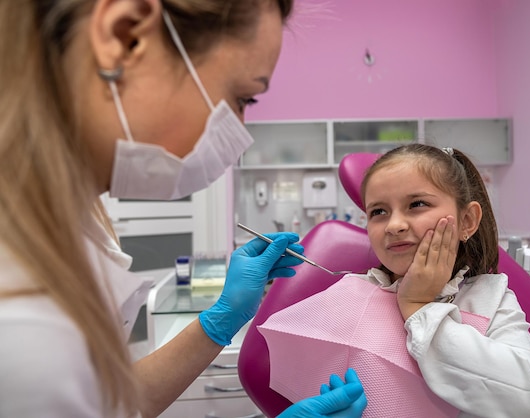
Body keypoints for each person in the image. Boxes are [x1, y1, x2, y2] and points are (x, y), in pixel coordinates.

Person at [0, 1, 366, 417]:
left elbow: (108, 402)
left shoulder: (72, 222)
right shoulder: (21, 324)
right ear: (125, 36)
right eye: (242, 96)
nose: (240, 131)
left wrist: (220, 320)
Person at [357, 144, 530, 416]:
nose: (394, 225)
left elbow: (529, 403)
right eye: (378, 211)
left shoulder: (490, 299)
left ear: (467, 220)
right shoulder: (355, 294)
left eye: (417, 204)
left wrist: (419, 308)